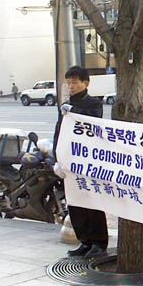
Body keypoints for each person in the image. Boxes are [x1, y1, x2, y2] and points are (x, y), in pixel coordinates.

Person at [54, 66, 109, 259]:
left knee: (92, 203)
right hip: (70, 161)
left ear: (85, 83)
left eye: (75, 82)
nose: (71, 86)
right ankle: (85, 241)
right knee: (75, 204)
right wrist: (57, 158)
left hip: (88, 161)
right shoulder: (66, 105)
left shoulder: (94, 103)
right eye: (69, 82)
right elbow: (59, 132)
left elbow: (91, 123)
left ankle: (99, 243)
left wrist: (73, 111)